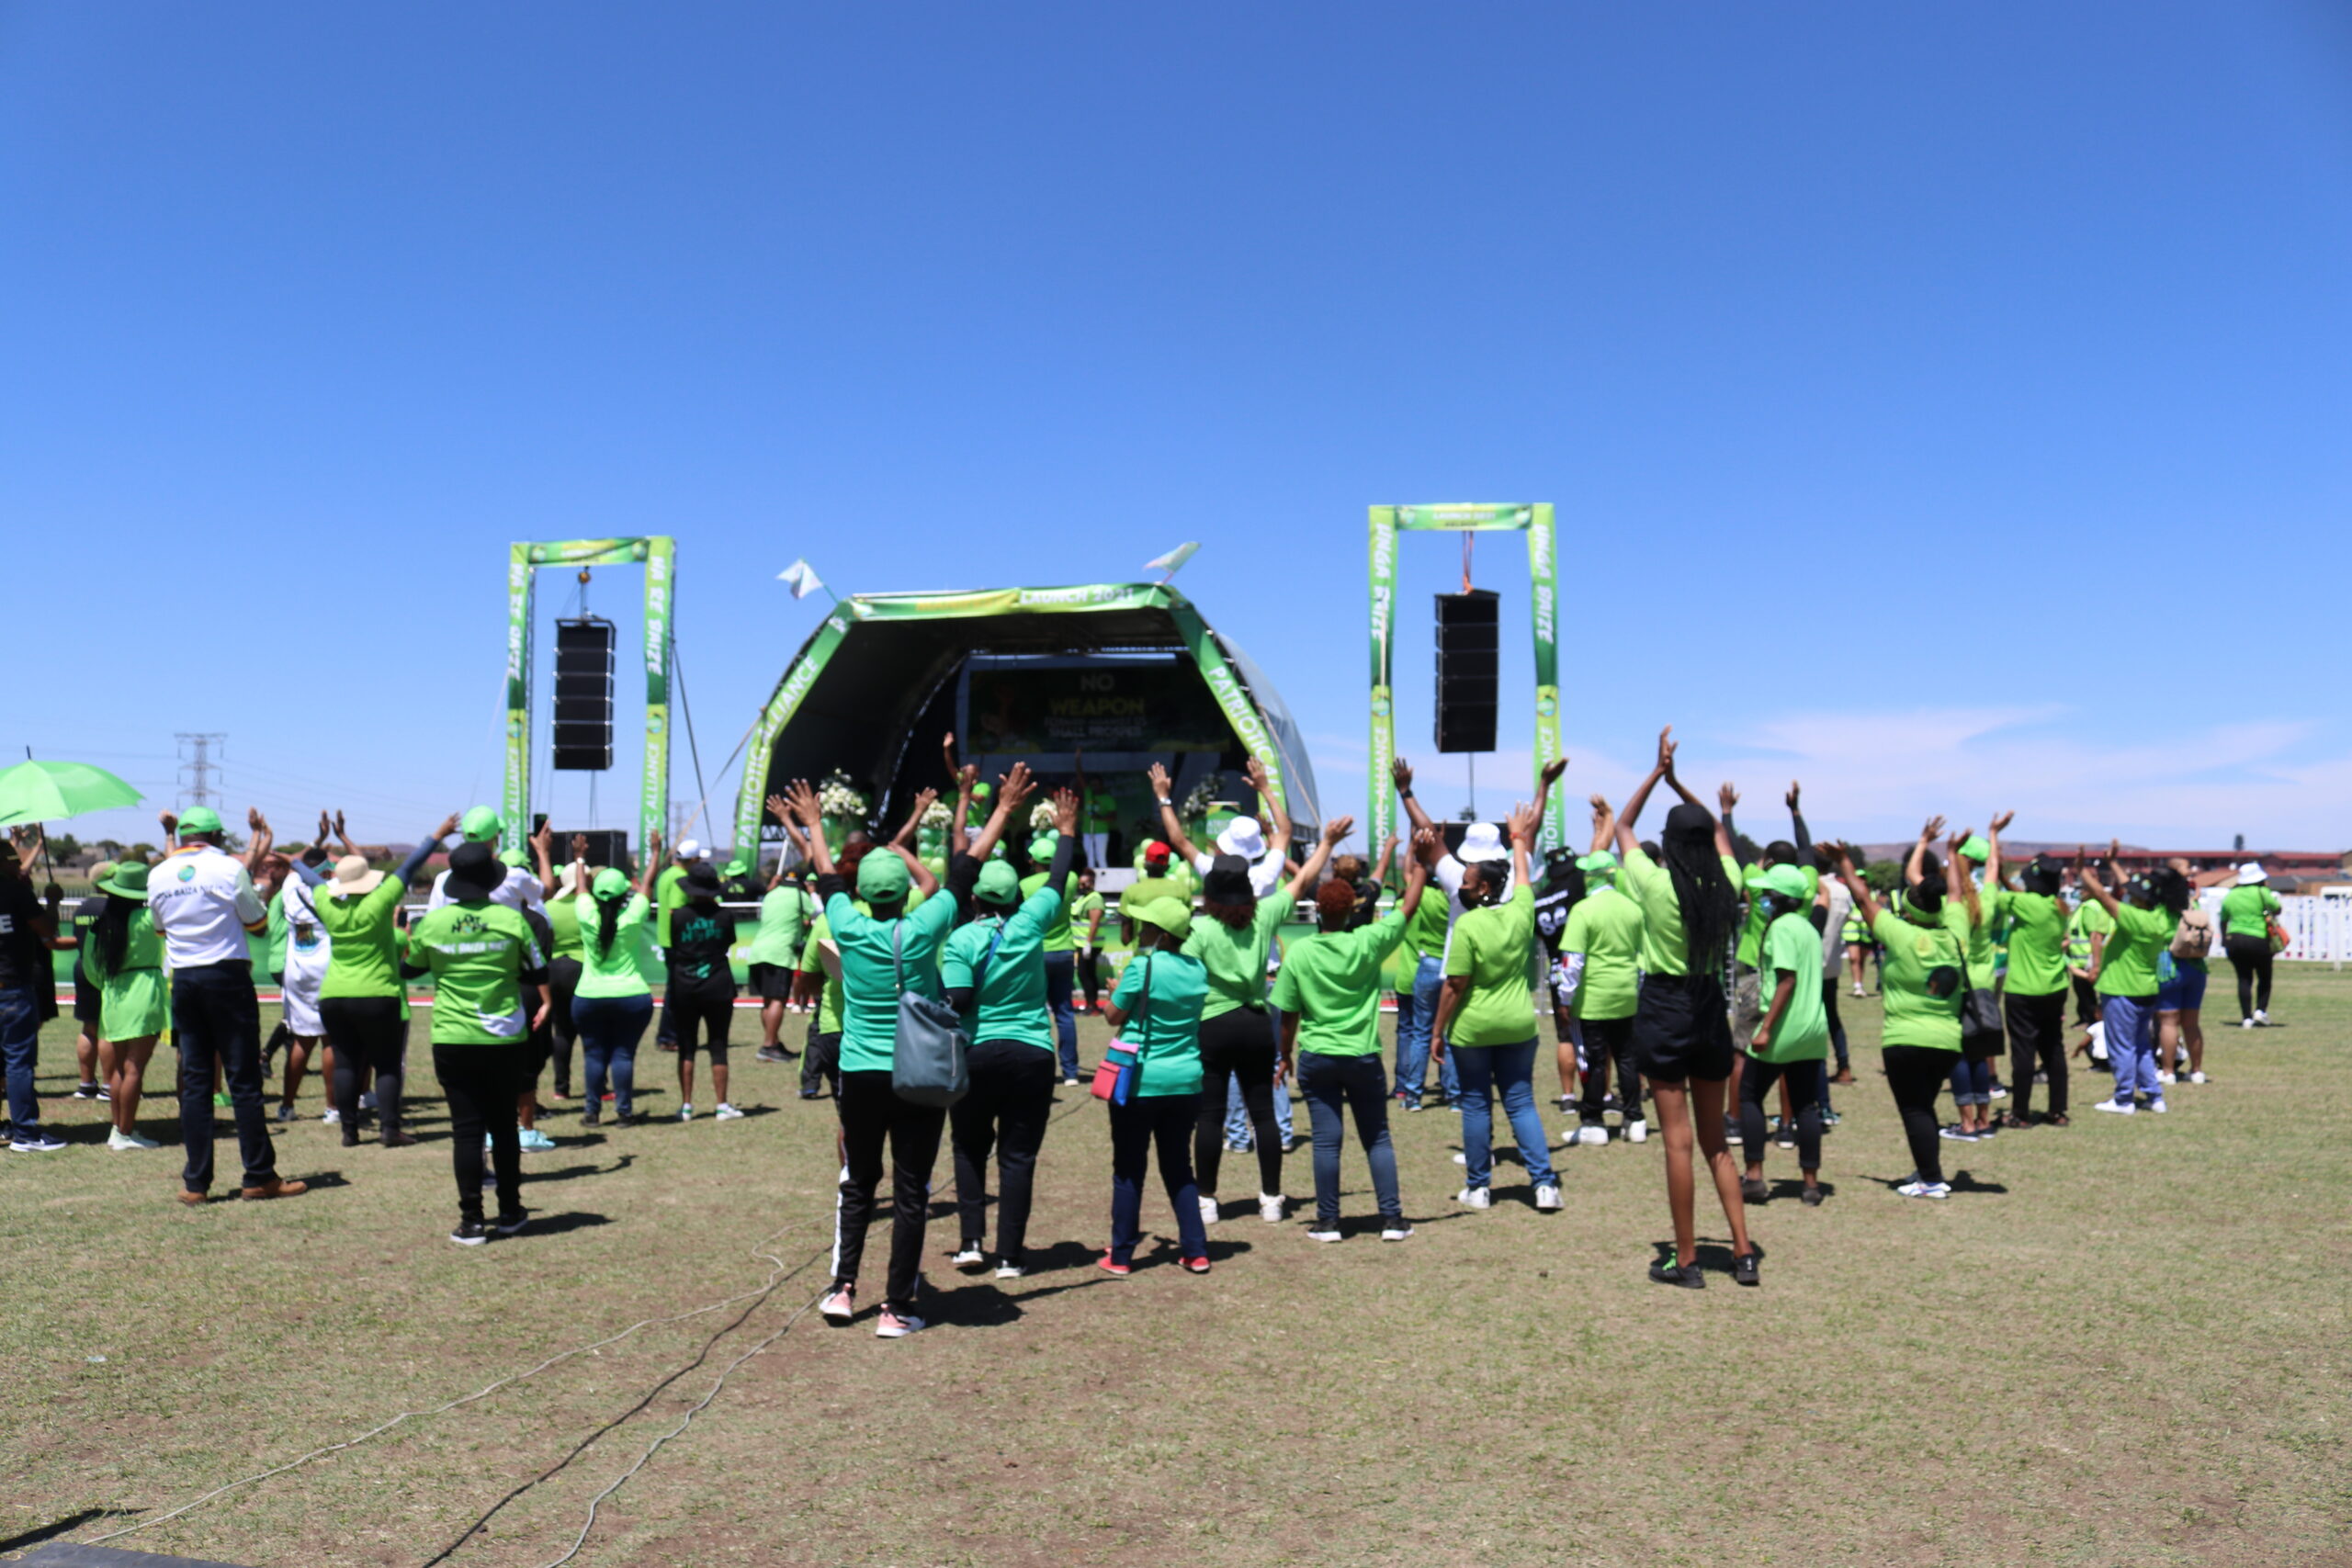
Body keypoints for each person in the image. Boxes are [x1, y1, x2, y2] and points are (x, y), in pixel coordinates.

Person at [782, 779, 973, 1339]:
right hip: (919, 1075)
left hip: (861, 1075)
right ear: (904, 892)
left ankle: (842, 1289)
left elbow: (825, 873)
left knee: (859, 1181)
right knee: (911, 1191)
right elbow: (963, 873)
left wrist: (813, 823)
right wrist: (1000, 809)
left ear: (862, 892)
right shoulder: (924, 926)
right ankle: (897, 1307)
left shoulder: (845, 922)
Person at [1148, 761, 1340, 1226]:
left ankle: (1207, 1200)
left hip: (1211, 1024)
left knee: (1210, 1116)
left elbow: (1179, 842)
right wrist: (1327, 844)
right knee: (1264, 1114)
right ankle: (1271, 1198)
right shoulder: (1265, 913)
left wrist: (1164, 796)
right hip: (1256, 1021)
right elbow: (1300, 878)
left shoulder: (1199, 929)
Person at [1614, 728, 1758, 1286]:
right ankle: (1743, 1253)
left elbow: (1622, 826)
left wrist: (1657, 774)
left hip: (1665, 1006)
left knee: (1677, 1143)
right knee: (1716, 1143)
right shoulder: (1729, 880)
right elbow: (1719, 829)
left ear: (1670, 844)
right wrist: (1681, 784)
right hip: (1709, 1006)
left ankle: (1688, 1258)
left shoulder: (1655, 883)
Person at [1273, 828, 1434, 1242]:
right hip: (1362, 1055)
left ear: (1318, 910)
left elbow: (1288, 1013)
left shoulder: (1301, 952)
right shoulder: (1368, 941)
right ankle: (1392, 1219)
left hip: (1317, 1055)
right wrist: (1421, 862)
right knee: (1377, 1137)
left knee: (1327, 1143)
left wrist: (1284, 1054)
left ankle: (1328, 1222)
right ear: (1351, 910)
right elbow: (1409, 907)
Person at [943, 772, 1069, 1279]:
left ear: (974, 898)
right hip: (1032, 1053)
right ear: (1016, 897)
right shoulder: (1031, 923)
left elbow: (958, 999)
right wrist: (1067, 830)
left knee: (969, 1148)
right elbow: (1056, 881)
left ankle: (971, 1243)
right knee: (1018, 1158)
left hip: (977, 1053)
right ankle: (1011, 1257)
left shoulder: (961, 939)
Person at [148, 807, 305, 1202]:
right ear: (217, 836)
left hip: (184, 979)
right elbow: (257, 925)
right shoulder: (228, 868)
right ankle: (259, 1176)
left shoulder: (159, 874)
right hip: (227, 977)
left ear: (183, 836)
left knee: (196, 1083)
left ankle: (196, 1183)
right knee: (243, 1082)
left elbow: (160, 929)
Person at [401, 840, 549, 1244]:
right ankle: (511, 1211)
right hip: (504, 1037)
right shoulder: (512, 920)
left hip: (452, 1036)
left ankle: (471, 1222)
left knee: (466, 1131)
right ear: (491, 880)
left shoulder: (432, 924)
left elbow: (410, 969)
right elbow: (538, 972)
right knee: (503, 1127)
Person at [1429, 798, 1561, 1213]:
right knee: (1520, 1102)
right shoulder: (1522, 911)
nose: (1462, 887)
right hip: (1519, 1024)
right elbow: (1522, 872)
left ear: (1484, 887)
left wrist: (1436, 1031)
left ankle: (1479, 1187)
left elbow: (1455, 985)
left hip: (1473, 1029)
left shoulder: (1468, 924)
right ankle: (1544, 1185)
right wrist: (1517, 836)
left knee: (1476, 1104)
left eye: (1467, 883)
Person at [1825, 841, 1967, 1199]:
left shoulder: (1900, 933)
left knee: (1915, 1110)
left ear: (1908, 910)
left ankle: (1931, 1181)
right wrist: (1953, 855)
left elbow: (1863, 899)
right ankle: (1926, 1170)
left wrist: (1843, 860)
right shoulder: (1955, 932)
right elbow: (1956, 894)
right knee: (1924, 1107)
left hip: (1904, 1039)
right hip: (1948, 1041)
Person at [317, 816, 453, 1147]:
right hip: (378, 994)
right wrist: (437, 834)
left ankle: (349, 1132)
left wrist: (300, 857)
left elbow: (309, 876)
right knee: (387, 1065)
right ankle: (389, 1130)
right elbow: (410, 865)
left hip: (334, 993)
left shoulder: (325, 902)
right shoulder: (380, 901)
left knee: (345, 1064)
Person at [1099, 895, 1213, 1277]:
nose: (1141, 931)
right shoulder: (1198, 969)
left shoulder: (1141, 966)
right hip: (1186, 1081)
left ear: (1162, 935)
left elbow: (1113, 1016)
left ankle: (1121, 1254)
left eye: (1147, 926)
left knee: (1129, 1168)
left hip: (1140, 1082)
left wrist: (1115, 990)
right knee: (1179, 1166)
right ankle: (1196, 1250)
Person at [1736, 864, 1829, 1206]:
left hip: (1783, 1028)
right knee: (1806, 1104)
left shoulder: (1780, 928)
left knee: (1749, 1095)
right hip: (1812, 1027)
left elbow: (1786, 980)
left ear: (1778, 898)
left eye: (1767, 893)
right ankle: (1811, 1185)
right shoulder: (1808, 928)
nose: (1763, 899)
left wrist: (1766, 1029)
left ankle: (1754, 1177)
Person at [1906, 818, 2002, 1143]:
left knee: (1959, 1054)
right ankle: (1984, 1120)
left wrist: (1924, 841)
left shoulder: (1952, 905)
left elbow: (1913, 876)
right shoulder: (1987, 900)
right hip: (1984, 983)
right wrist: (1993, 834)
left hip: (1957, 985)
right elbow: (1993, 867)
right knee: (1980, 1052)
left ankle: (1967, 1123)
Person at [1563, 795, 1646, 1146]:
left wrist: (1565, 999)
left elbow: (1572, 962)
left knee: (1594, 1060)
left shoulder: (1583, 910)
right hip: (1626, 996)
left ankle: (1593, 1121)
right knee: (1627, 1058)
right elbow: (1641, 958)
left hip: (1593, 1000)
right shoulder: (1632, 908)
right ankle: (1635, 1118)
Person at [2078, 849, 2175, 1116]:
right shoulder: (2161, 917)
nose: (2130, 895)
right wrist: (2113, 863)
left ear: (2141, 900)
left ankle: (2123, 1099)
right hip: (2146, 990)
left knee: (2122, 1047)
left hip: (2121, 990)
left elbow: (2102, 895)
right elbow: (2128, 886)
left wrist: (2081, 869)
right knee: (2142, 1046)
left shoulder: (2134, 918)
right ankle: (2154, 1096)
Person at [574, 839, 662, 1127]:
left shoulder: (587, 915)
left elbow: (581, 888)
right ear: (625, 893)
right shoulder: (632, 918)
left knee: (594, 1056)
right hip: (631, 995)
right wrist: (655, 853)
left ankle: (591, 1112)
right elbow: (647, 885)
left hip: (589, 995)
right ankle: (624, 1113)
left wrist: (579, 858)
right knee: (623, 1055)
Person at [81, 861, 168, 1149]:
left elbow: (91, 969)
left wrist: (108, 985)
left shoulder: (100, 925)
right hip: (145, 994)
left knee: (119, 1070)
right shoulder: (150, 918)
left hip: (113, 996)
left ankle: (118, 1130)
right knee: (134, 1069)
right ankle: (126, 1133)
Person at [1, 828, 67, 1151]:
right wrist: (53, 902)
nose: (19, 865)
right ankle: (25, 1133)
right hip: (12, 987)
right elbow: (48, 930)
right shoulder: (16, 891)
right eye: (13, 860)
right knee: (18, 1063)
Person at [1999, 844, 2073, 1128]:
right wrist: (2006, 879)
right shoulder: (2058, 906)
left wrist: (1996, 870)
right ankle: (2058, 1111)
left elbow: (1994, 896)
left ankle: (2020, 1113)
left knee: (2023, 1053)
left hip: (2023, 990)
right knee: (2053, 1049)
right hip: (2054, 987)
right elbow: (2021, 896)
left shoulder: (2027, 904)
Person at [666, 861, 743, 1122]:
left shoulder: (678, 916)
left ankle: (686, 1106)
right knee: (718, 1045)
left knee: (686, 1047)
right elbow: (728, 943)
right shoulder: (724, 916)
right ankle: (722, 1105)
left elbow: (675, 944)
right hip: (718, 985)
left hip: (684, 986)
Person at [274, 840, 334, 1122]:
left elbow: (295, 864)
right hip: (327, 969)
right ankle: (333, 1108)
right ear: (325, 871)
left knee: (301, 1040)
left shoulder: (290, 885)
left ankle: (287, 1106)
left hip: (297, 971)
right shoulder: (330, 890)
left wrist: (314, 843)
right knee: (330, 1040)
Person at [531, 832, 592, 1097]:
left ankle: (561, 1088)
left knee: (562, 1032)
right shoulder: (587, 905)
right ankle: (597, 1086)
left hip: (555, 971)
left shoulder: (549, 908)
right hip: (582, 970)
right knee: (590, 1033)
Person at [745, 861, 812, 1063]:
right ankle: (768, 1046)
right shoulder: (801, 896)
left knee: (767, 1000)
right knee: (778, 1000)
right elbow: (815, 914)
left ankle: (772, 1042)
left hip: (758, 950)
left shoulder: (771, 894)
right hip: (780, 953)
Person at [2152, 864, 2210, 1085]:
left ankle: (2168, 1072)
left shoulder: (2158, 910)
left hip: (2168, 966)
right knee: (2191, 1023)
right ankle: (2197, 1071)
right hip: (2196, 967)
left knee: (2168, 1022)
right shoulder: (2192, 905)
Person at [66, 862, 117, 1103]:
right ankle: (108, 1086)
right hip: (108, 971)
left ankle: (86, 1084)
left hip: (83, 967)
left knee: (89, 1027)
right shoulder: (113, 907)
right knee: (109, 1029)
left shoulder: (82, 908)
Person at [2219, 863, 2281, 1028]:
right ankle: (2260, 1010)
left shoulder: (2231, 894)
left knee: (2244, 979)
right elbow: (2277, 908)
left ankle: (2246, 1017)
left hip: (2235, 939)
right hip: (2258, 938)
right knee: (2264, 977)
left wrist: (2224, 939)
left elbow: (2223, 918)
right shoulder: (2261, 892)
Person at [1071, 871, 1107, 1015]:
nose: (1081, 887)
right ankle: (1090, 1005)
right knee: (1085, 974)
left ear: (1092, 883)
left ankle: (1092, 1006)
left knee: (1086, 974)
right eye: (1080, 884)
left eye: (1084, 884)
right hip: (1081, 944)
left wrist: (1088, 944)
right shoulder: (1083, 899)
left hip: (1089, 945)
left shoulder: (1094, 900)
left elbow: (1094, 923)